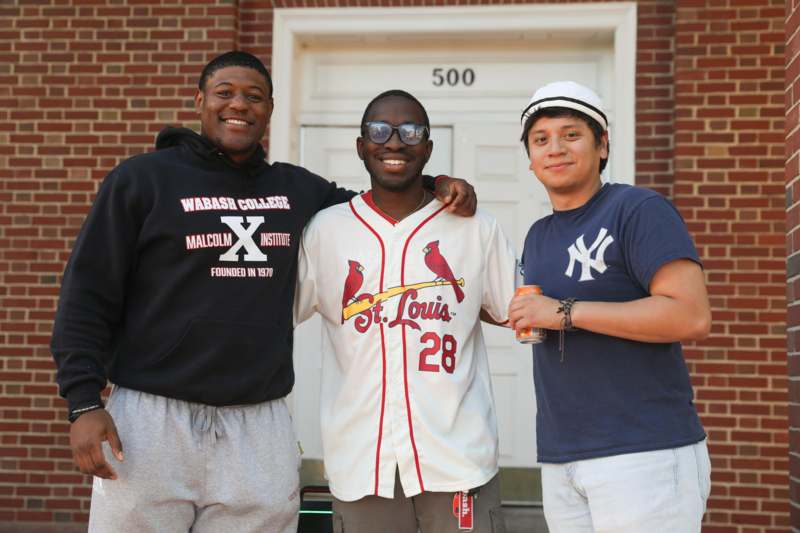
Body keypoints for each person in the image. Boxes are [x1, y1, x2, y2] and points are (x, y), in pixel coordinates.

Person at [50, 51, 475, 533]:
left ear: (269, 109)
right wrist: (83, 401)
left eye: (254, 97)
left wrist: (434, 184)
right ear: (199, 101)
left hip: (258, 424)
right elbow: (87, 294)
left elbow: (376, 208)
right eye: (225, 93)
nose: (239, 105)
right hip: (152, 418)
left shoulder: (295, 190)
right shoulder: (141, 180)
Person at [294, 89, 517, 532]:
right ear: (361, 146)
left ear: (428, 148)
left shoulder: (475, 227)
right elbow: (274, 315)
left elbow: (518, 311)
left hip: (457, 460)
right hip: (362, 461)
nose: (394, 142)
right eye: (380, 130)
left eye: (410, 131)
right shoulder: (327, 230)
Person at [507, 81, 712, 532]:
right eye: (541, 140)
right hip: (563, 456)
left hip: (643, 453)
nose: (555, 149)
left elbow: (690, 315)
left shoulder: (637, 209)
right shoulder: (539, 234)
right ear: (530, 159)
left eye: (571, 135)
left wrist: (565, 312)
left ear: (602, 145)